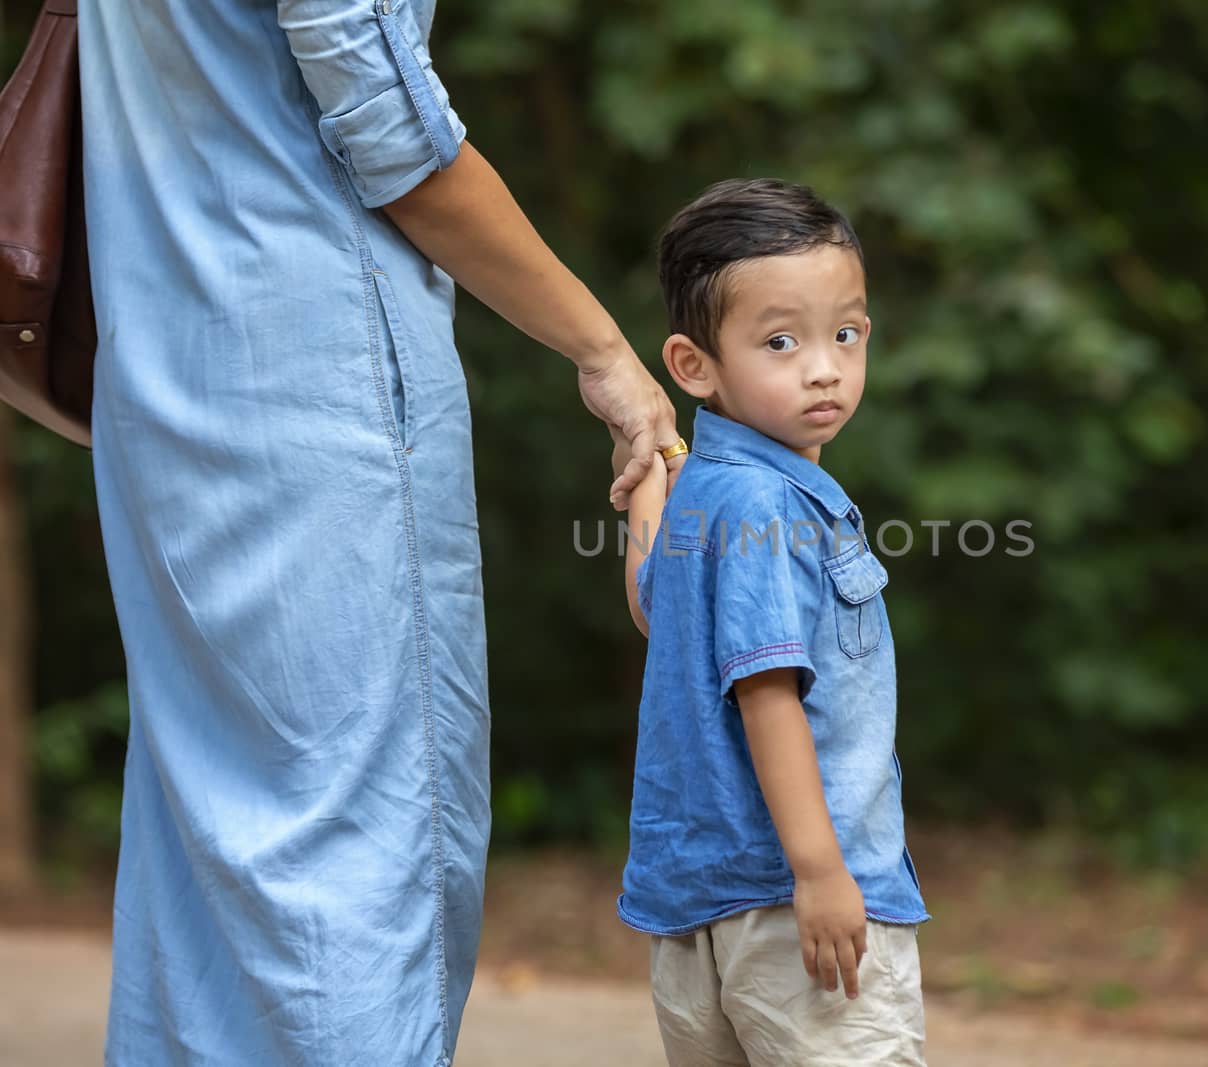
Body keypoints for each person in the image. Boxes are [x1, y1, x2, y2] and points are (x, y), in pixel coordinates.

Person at [76, 1, 681, 1062]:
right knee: (358, 846)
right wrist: (603, 351)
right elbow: (394, 137)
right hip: (319, 385)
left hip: (165, 375)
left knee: (205, 846)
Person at [609, 178, 930, 1066]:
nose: (823, 365)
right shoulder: (771, 503)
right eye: (781, 341)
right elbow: (768, 692)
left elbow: (653, 605)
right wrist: (822, 872)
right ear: (693, 365)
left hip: (697, 905)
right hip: (797, 906)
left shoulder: (706, 491)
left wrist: (645, 478)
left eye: (847, 333)